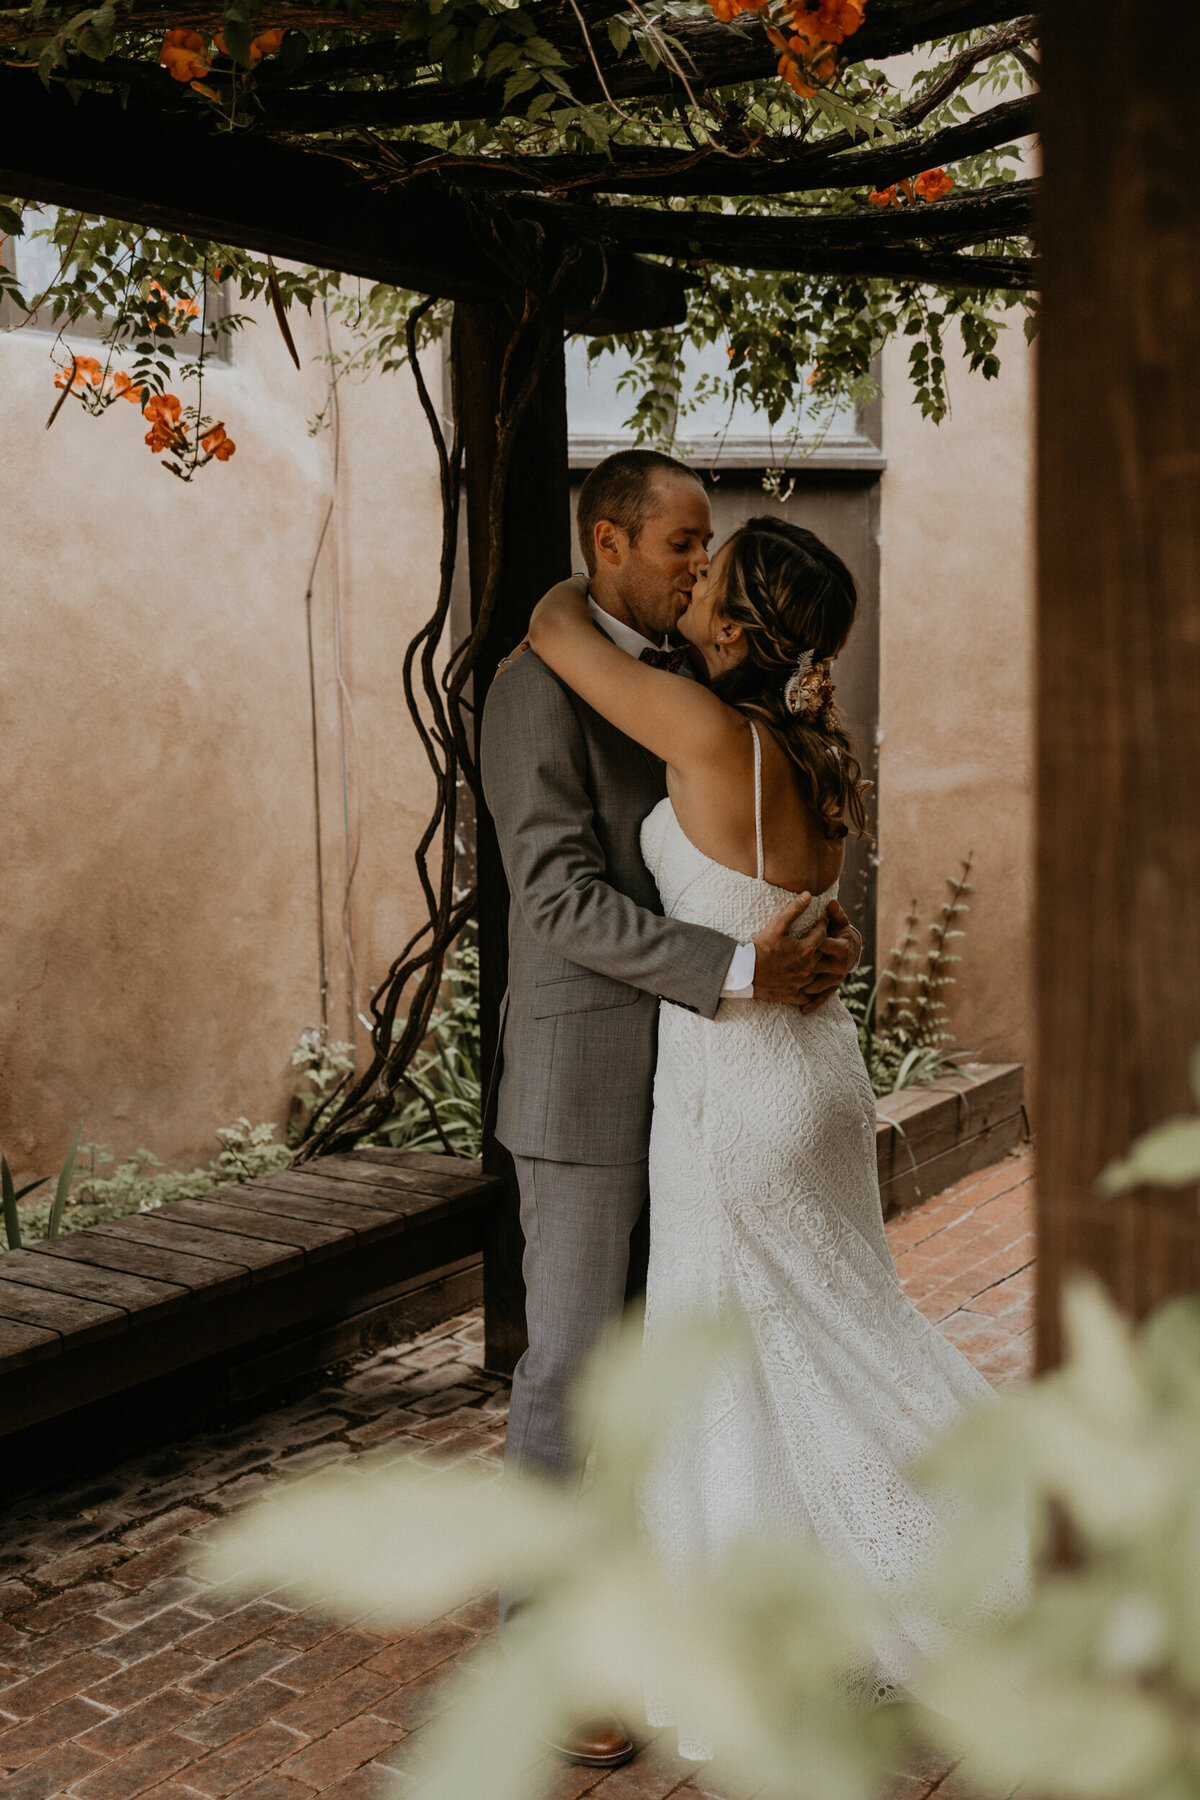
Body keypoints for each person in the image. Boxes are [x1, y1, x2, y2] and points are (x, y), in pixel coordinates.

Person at [525, 512, 1000, 1759]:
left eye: (710, 569)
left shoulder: (704, 731)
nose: (692, 574)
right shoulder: (811, 751)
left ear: (737, 626)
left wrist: (603, 567)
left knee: (724, 1347)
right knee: (842, 1320)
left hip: (733, 1082)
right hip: (816, 1073)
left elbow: (552, 627)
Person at [479, 451, 861, 1771]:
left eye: (710, 548)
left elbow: (723, 854)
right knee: (571, 1372)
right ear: (609, 541)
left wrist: (787, 932)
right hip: (589, 1083)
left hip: (699, 1092)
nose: (702, 563)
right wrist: (748, 965)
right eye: (684, 542)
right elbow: (559, 901)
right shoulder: (533, 693)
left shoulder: (690, 688)